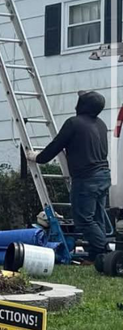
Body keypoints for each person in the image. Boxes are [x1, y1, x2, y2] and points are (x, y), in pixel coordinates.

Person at [27, 90, 111, 262]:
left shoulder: (74, 123)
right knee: (97, 218)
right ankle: (98, 256)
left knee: (84, 220)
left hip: (86, 178)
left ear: (82, 106)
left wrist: (37, 157)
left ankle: (107, 252)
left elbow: (56, 145)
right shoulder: (101, 124)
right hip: (103, 176)